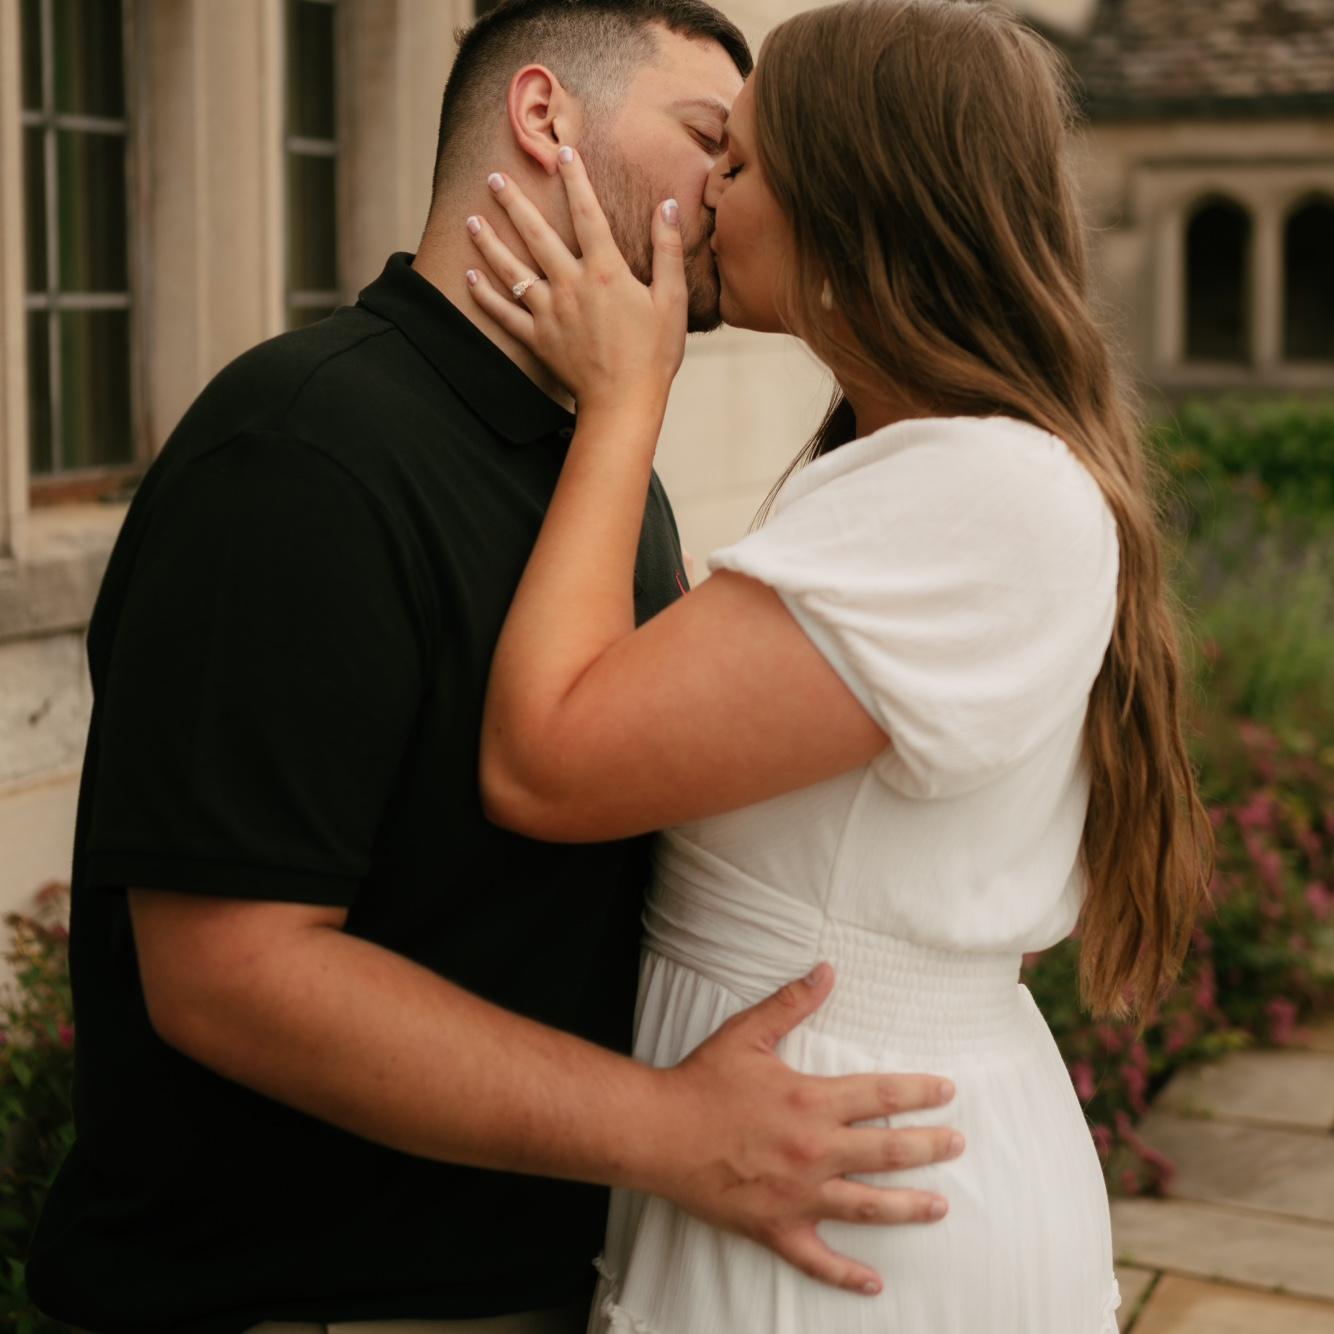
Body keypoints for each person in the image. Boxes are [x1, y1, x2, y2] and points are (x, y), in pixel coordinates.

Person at [25, 4, 965, 1333]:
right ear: (542, 117)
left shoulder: (597, 464)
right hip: (304, 1306)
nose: (739, 190)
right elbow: (227, 972)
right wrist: (673, 1129)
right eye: (711, 139)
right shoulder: (302, 450)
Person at [463, 0, 1214, 1330]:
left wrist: (624, 400)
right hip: (820, 1145)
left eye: (739, 161)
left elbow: (543, 764)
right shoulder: (924, 471)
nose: (703, 195)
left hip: (852, 1191)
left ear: (855, 204)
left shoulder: (972, 495)